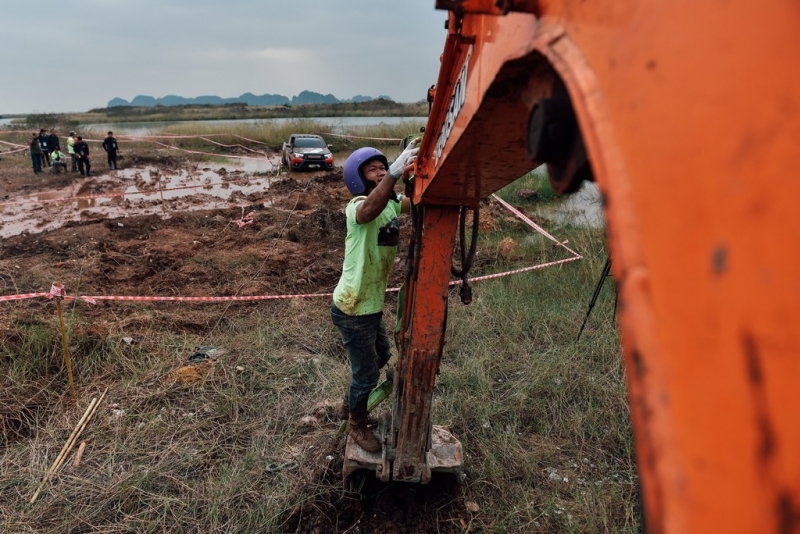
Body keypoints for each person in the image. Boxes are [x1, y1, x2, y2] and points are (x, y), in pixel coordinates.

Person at [330, 140, 420, 452]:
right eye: (374, 169)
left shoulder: (392, 203)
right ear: (359, 178)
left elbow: (416, 200)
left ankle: (350, 405)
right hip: (352, 307)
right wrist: (393, 174)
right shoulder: (356, 207)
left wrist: (417, 173)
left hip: (369, 306)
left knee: (381, 356)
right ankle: (356, 424)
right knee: (367, 374)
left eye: (384, 167)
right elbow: (370, 210)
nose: (381, 171)